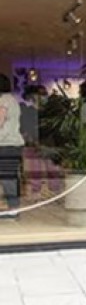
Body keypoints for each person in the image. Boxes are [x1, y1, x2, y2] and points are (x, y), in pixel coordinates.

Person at [0, 73, 25, 212]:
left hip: (5, 144)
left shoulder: (4, 100)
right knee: (10, 176)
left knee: (7, 177)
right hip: (13, 144)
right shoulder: (12, 100)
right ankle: (13, 207)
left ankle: (13, 208)